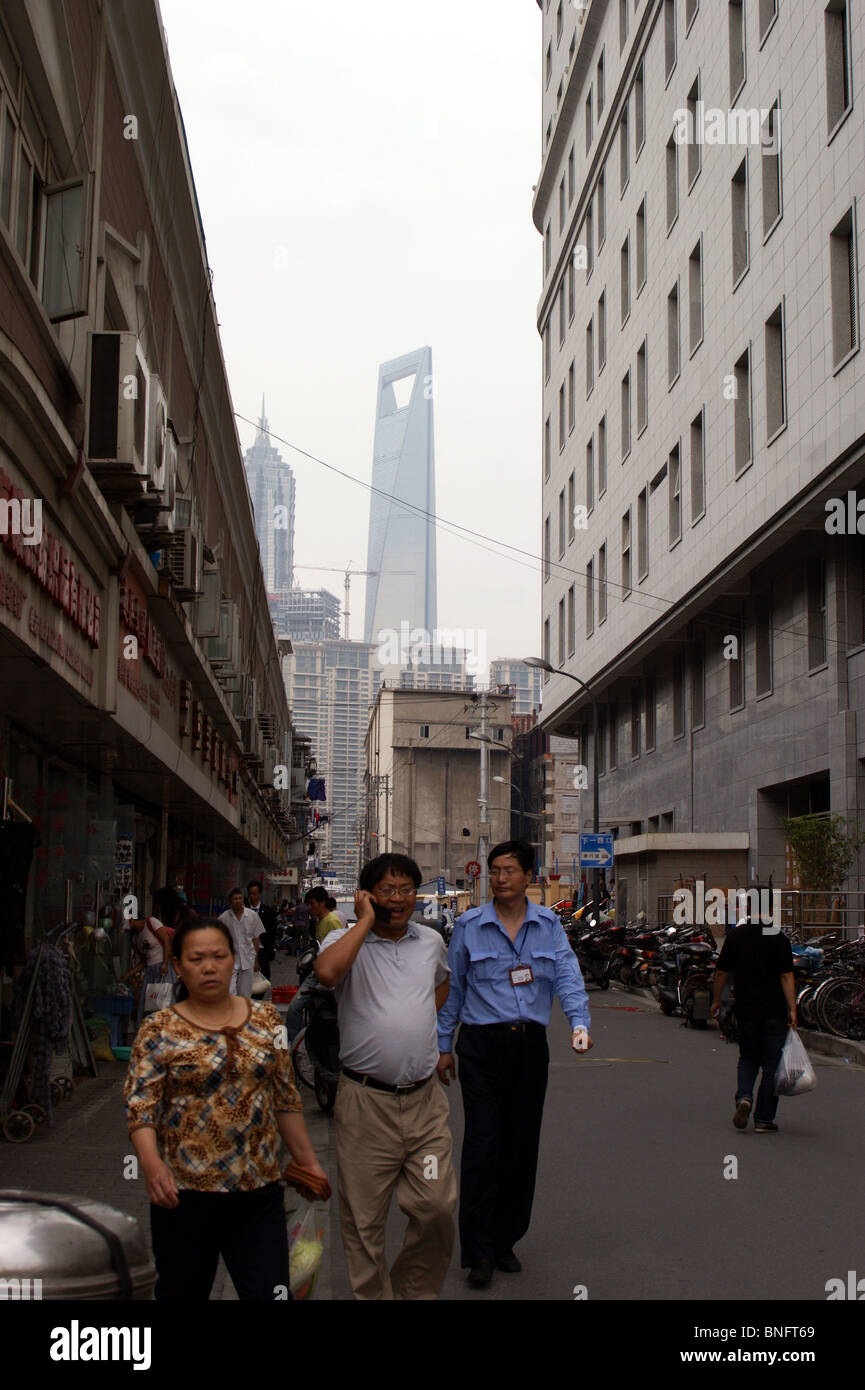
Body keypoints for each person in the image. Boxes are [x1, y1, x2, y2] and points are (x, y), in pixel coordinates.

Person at [124, 917, 330, 1300]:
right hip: (182, 1194)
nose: (208, 966)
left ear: (234, 960)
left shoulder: (268, 1021)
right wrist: (151, 1166)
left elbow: (285, 1098)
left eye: (218, 956)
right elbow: (141, 1107)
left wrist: (309, 1161)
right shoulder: (158, 1029)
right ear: (179, 966)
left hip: (258, 1192)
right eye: (197, 958)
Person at [436, 839, 593, 1289]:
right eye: (495, 870)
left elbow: (567, 974)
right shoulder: (469, 925)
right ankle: (479, 1251)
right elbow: (456, 990)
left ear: (529, 875)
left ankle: (506, 1240)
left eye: (510, 870)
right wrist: (445, 1045)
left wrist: (578, 1022)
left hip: (529, 1048)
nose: (501, 878)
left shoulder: (549, 925)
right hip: (481, 1047)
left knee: (521, 1147)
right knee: (482, 1145)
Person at [314, 853, 457, 1300]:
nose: (398, 899)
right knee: (363, 1223)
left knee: (437, 1206)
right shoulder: (342, 939)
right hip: (364, 1106)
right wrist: (363, 923)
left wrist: (417, 1027)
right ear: (368, 896)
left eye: (406, 890)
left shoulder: (430, 942)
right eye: (387, 890)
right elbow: (327, 973)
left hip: (424, 1106)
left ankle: (412, 1292)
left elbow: (443, 983)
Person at [711, 912, 796, 1132]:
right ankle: (763, 1119)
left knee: (748, 1058)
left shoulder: (737, 936)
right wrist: (793, 1009)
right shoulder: (778, 937)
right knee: (771, 1066)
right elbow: (787, 976)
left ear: (749, 906)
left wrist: (717, 1000)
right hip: (774, 1010)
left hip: (746, 1009)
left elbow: (722, 972)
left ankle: (744, 1097)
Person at [128, 900, 176, 1026]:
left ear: (131, 919)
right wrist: (129, 973)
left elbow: (166, 940)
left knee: (165, 1003)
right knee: (147, 1005)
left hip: (163, 970)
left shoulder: (151, 922)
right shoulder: (135, 938)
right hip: (150, 972)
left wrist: (165, 963)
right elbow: (144, 960)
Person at [218, 888, 264, 997]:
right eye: (235, 899)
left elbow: (255, 938)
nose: (238, 901)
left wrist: (256, 960)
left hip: (248, 958)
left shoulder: (252, 916)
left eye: (240, 898)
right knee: (230, 992)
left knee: (245, 993)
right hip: (231, 960)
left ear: (243, 899)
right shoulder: (224, 918)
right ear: (230, 901)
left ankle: (243, 1012)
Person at [247, 880, 278, 981]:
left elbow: (272, 931)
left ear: (259, 894)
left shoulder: (268, 911)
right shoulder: (244, 910)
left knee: (263, 977)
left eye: (254, 893)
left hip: (262, 949)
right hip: (246, 949)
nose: (252, 896)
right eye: (250, 893)